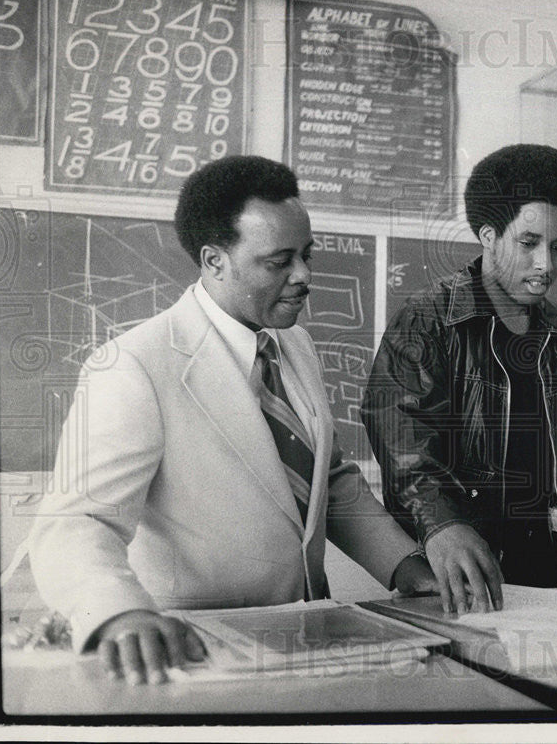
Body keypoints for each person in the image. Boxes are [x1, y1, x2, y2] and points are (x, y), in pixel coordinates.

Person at [28, 156, 435, 685]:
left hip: (307, 640)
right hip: (200, 652)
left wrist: (406, 565)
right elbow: (78, 520)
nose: (305, 276)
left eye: (307, 255)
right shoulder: (137, 365)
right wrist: (119, 612)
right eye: (279, 261)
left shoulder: (295, 343)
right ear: (214, 261)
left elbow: (328, 482)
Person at [361, 144, 557, 614]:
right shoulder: (429, 318)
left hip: (541, 572)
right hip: (453, 573)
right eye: (528, 243)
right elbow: (399, 433)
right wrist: (443, 525)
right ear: (488, 235)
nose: (546, 264)